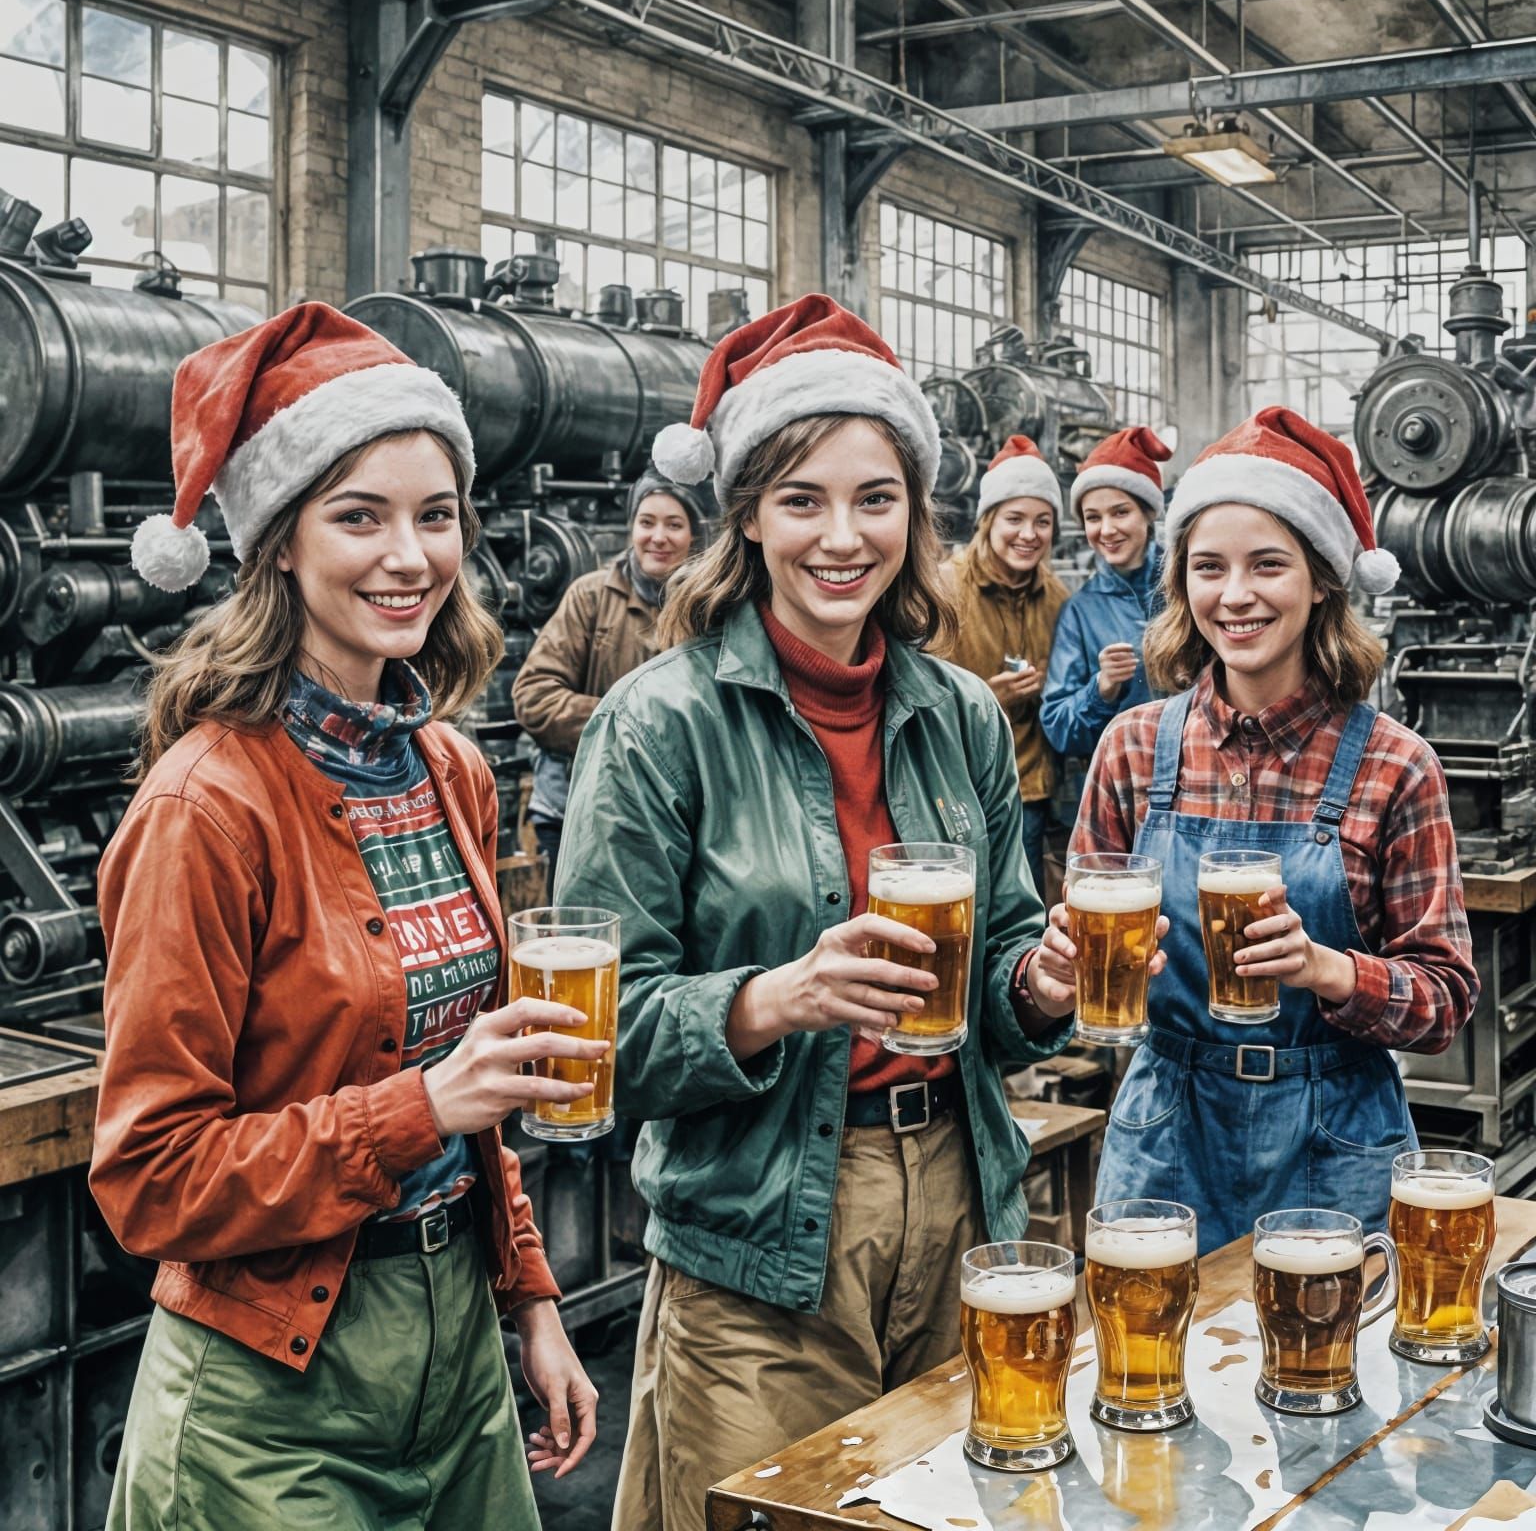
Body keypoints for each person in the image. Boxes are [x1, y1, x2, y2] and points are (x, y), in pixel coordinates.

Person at [554, 294, 1101, 1531]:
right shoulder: (659, 721)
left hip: (965, 1204)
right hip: (761, 1245)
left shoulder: (958, 712)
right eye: (801, 499)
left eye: (876, 498)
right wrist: (771, 999)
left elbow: (1003, 964)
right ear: (745, 516)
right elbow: (594, 1037)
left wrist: (1039, 983)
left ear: (917, 515)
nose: (842, 537)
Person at [90, 305, 601, 1529]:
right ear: (278, 544)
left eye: (436, 517)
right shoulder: (207, 808)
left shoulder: (447, 768)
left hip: (457, 1346)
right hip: (272, 1394)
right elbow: (150, 1182)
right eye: (358, 516)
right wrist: (419, 1108)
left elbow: (470, 1091)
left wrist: (529, 1300)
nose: (409, 556)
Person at [1038, 406, 1479, 1253]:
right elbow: (1072, 969)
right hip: (1166, 1126)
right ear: (1181, 585)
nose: (1234, 595)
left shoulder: (1394, 764)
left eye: (1267, 565)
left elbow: (1445, 1003)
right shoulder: (1132, 747)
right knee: (1154, 1374)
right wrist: (1057, 969)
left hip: (1338, 1139)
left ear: (1322, 581)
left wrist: (1328, 970)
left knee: (1330, 1382)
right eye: (1208, 567)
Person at [513, 467, 709, 894]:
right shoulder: (591, 597)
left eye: (674, 524)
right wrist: (635, 728)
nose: (657, 536)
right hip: (574, 809)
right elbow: (534, 697)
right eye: (647, 522)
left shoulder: (711, 612)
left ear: (695, 535)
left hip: (672, 819)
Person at [935, 434, 1068, 895]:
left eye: (1043, 521)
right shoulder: (943, 592)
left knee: (1020, 919)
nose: (1029, 534)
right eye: (1015, 518)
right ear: (988, 521)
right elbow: (908, 694)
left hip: (1029, 790)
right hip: (953, 789)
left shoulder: (1058, 600)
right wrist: (987, 701)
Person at [1041, 425, 1172, 765]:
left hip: (1204, 778)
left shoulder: (1188, 588)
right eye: (1093, 518)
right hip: (1127, 784)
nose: (1107, 530)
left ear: (1148, 513)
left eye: (1120, 512)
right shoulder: (1081, 611)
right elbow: (1058, 727)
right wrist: (1101, 688)